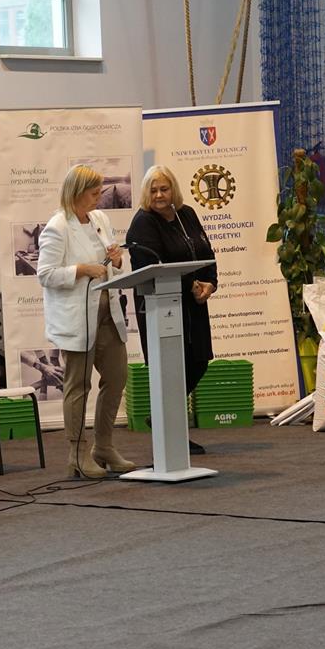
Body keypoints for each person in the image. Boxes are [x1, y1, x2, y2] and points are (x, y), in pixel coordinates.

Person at [36, 165, 136, 478]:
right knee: (78, 385)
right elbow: (45, 274)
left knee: (117, 377)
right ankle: (77, 453)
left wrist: (117, 260)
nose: (99, 197)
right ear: (76, 192)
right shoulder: (57, 227)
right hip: (78, 319)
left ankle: (103, 446)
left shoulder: (100, 219)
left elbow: (113, 265)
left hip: (108, 315)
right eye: (93, 193)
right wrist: (81, 269)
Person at [125, 165, 219, 455]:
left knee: (198, 362)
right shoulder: (143, 222)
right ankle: (172, 432)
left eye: (164, 189)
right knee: (170, 368)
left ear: (173, 190)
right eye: (153, 190)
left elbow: (206, 252)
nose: (159, 195)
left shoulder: (186, 214)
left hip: (194, 305)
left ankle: (164, 419)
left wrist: (210, 284)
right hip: (162, 306)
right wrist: (192, 284)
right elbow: (153, 266)